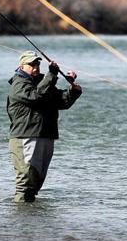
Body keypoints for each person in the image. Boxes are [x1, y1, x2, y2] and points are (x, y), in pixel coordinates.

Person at [6, 50, 82, 202]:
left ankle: (33, 222)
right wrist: (52, 75)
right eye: (32, 64)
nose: (36, 67)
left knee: (36, 183)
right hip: (25, 137)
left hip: (46, 136)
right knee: (26, 181)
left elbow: (61, 102)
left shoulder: (43, 83)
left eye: (37, 64)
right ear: (21, 66)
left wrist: (73, 92)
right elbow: (36, 96)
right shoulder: (19, 84)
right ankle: (20, 220)